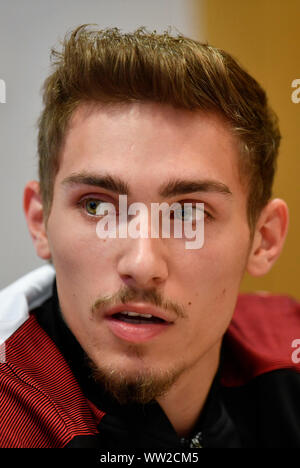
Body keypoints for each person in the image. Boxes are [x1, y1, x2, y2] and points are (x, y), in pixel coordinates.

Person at [0, 24, 299, 449]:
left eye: (189, 214)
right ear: (39, 220)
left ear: (264, 240)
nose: (141, 265)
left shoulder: (286, 352)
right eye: (97, 206)